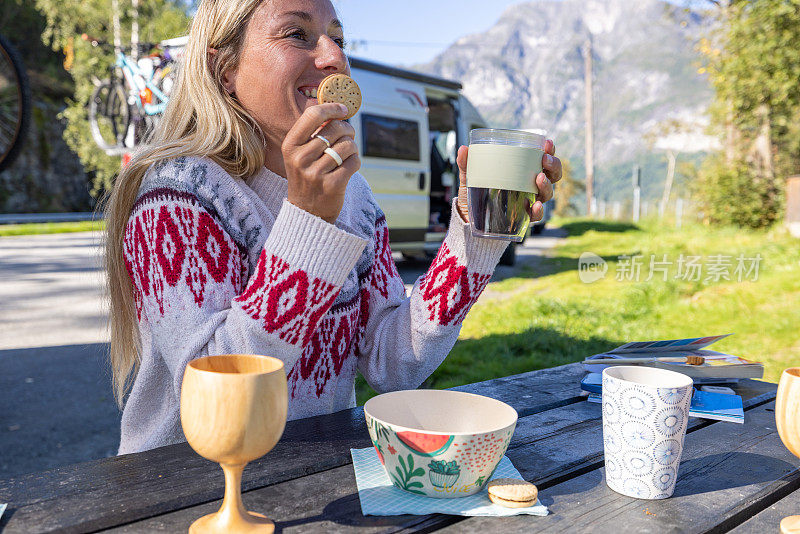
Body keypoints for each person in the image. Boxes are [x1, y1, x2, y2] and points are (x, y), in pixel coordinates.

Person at [106, 0, 562, 454]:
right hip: (180, 489)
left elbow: (392, 362)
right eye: (297, 34)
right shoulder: (178, 196)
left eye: (337, 39)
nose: (334, 58)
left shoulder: (354, 194)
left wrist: (479, 234)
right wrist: (308, 222)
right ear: (225, 68)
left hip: (312, 475)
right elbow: (215, 388)